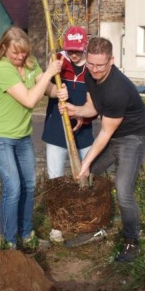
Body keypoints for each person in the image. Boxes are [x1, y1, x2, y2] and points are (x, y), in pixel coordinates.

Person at [59, 37, 145, 262]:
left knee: (123, 190)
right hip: (114, 135)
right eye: (90, 64)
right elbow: (93, 106)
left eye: (100, 65)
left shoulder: (117, 88)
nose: (95, 69)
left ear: (112, 60)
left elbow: (105, 133)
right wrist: (77, 110)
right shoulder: (91, 75)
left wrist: (86, 161)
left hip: (133, 138)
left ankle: (131, 242)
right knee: (90, 178)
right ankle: (95, 228)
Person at [0, 26, 62, 249]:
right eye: (15, 52)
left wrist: (58, 92)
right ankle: (9, 242)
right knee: (13, 187)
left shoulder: (30, 63)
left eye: (24, 52)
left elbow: (45, 90)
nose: (20, 57)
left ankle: (27, 235)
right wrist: (48, 73)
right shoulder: (1, 69)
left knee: (29, 184)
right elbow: (28, 100)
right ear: (5, 47)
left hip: (22, 135)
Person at [42, 25, 94, 179]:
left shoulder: (92, 66)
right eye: (70, 50)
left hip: (83, 131)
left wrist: (81, 112)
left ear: (85, 46)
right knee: (55, 179)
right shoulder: (58, 59)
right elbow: (44, 86)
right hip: (56, 129)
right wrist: (55, 90)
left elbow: (95, 103)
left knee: (87, 176)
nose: (73, 54)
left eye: (77, 50)